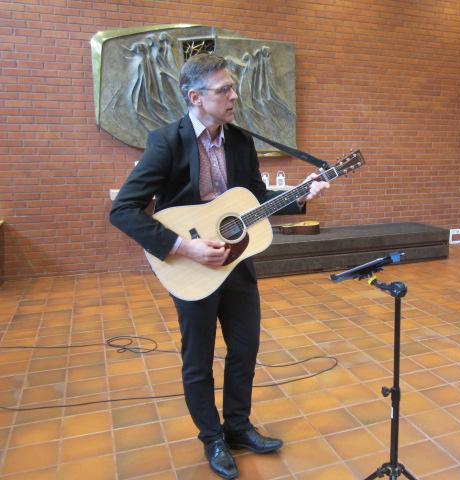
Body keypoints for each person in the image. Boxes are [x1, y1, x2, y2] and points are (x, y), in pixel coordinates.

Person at [110, 52, 329, 480]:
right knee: (199, 358)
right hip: (190, 265)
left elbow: (254, 200)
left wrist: (300, 195)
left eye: (233, 87)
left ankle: (238, 427)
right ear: (195, 97)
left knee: (245, 348)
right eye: (224, 89)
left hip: (238, 261)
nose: (234, 96)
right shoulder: (166, 142)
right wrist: (183, 247)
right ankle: (212, 437)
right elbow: (123, 211)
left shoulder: (241, 141)